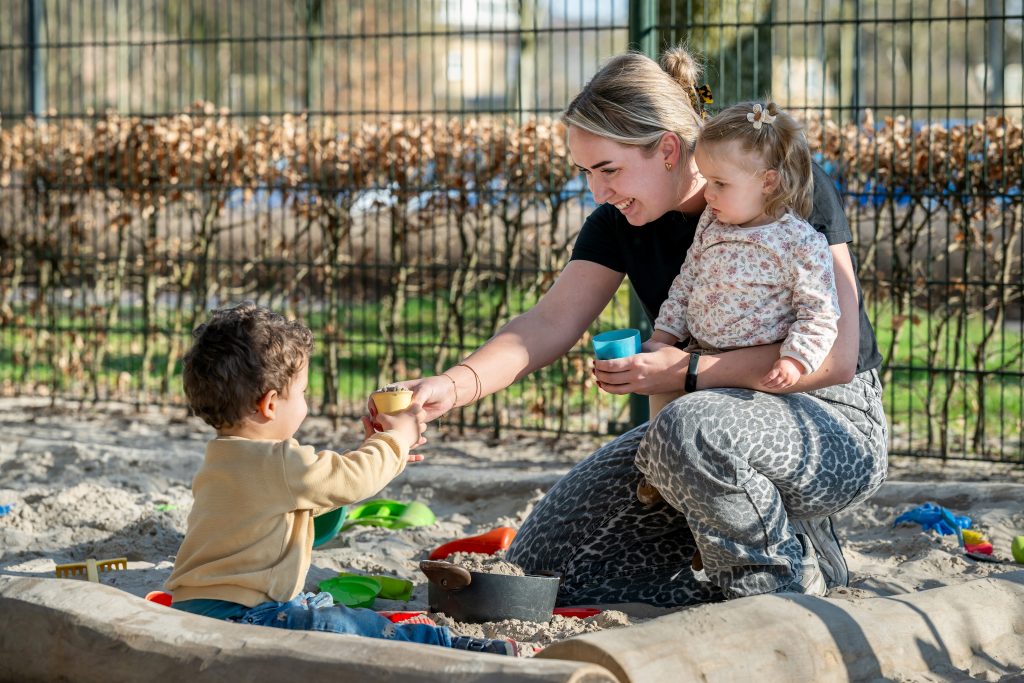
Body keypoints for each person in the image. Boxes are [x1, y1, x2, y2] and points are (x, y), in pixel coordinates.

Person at [394, 46, 887, 606]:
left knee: (689, 428)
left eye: (609, 170)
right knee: (545, 567)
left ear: (669, 150)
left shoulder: (776, 185)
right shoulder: (619, 221)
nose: (597, 191)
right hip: (692, 437)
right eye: (586, 173)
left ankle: (773, 597)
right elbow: (549, 321)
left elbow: (836, 358)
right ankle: (767, 548)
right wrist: (452, 385)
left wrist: (688, 371)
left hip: (827, 423)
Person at [166, 302, 519, 655]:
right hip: (245, 617)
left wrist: (376, 450)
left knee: (313, 606)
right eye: (302, 393)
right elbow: (352, 479)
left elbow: (316, 495)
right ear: (270, 404)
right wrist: (396, 439)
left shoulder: (221, 458)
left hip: (195, 609)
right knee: (350, 626)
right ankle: (447, 646)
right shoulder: (279, 462)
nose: (305, 402)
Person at [647, 99, 840, 420]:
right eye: (707, 179)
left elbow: (819, 313)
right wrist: (662, 338)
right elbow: (686, 283)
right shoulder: (711, 223)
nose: (708, 193)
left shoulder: (800, 241)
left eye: (720, 183)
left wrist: (794, 361)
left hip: (754, 378)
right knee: (659, 413)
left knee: (687, 424)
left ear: (768, 182)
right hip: (698, 356)